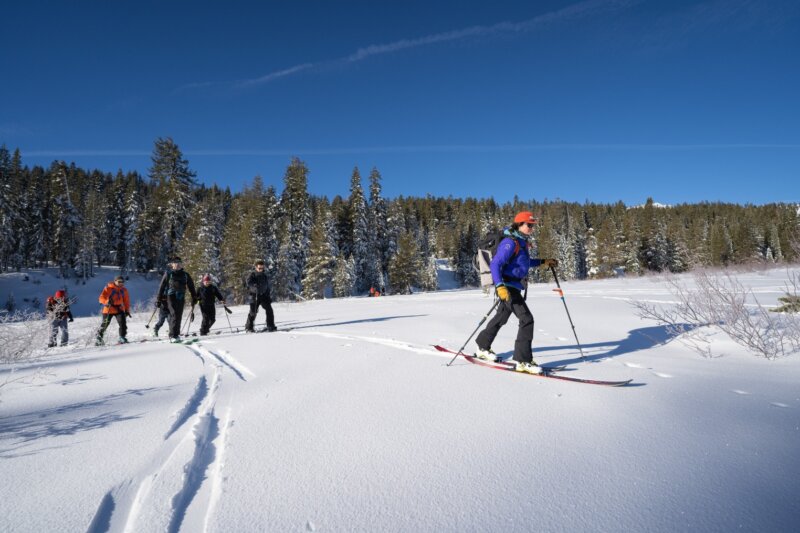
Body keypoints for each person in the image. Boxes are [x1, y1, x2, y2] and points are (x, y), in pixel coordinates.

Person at [474, 211, 558, 374]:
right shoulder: (510, 243)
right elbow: (495, 265)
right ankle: (523, 361)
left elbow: (524, 262)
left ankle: (482, 347)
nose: (532, 228)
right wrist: (499, 286)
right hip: (507, 287)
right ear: (519, 224)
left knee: (500, 318)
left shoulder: (522, 242)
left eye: (533, 225)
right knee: (527, 319)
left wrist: (543, 262)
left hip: (513, 286)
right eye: (529, 225)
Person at [157, 256, 198, 342]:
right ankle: (172, 335)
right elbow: (162, 287)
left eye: (179, 263)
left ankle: (177, 334)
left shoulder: (185, 275)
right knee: (174, 314)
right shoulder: (168, 274)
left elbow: (191, 287)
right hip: (171, 296)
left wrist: (194, 297)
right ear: (172, 265)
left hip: (181, 297)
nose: (178, 265)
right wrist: (159, 299)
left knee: (178, 315)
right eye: (176, 263)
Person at [96, 275, 131, 345]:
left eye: (122, 282)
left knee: (123, 323)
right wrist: (106, 301)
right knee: (105, 324)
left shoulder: (124, 290)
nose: (121, 283)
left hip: (119, 309)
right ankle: (99, 339)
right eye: (119, 281)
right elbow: (101, 298)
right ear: (115, 281)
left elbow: (126, 301)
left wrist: (127, 310)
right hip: (108, 309)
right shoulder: (108, 288)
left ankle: (122, 337)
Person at [245, 260, 276, 332]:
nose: (261, 270)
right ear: (256, 267)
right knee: (253, 312)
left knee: (269, 310)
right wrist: (254, 286)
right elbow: (248, 282)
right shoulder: (252, 274)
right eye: (259, 268)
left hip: (264, 296)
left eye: (262, 268)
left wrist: (268, 296)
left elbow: (267, 286)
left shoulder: (264, 275)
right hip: (254, 295)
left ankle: (270, 326)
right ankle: (249, 327)